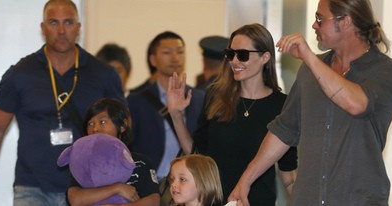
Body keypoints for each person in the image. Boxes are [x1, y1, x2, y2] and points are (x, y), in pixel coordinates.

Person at [229, 0, 392, 205]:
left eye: (320, 19)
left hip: (357, 199)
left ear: (346, 21)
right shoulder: (309, 72)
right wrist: (246, 180)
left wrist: (308, 56)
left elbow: (356, 103)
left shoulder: (388, 71)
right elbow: (283, 131)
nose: (314, 25)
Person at [0, 0, 125, 205]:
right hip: (32, 188)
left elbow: (123, 126)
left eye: (68, 23)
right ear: (43, 28)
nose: (61, 30)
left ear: (78, 28)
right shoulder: (20, 73)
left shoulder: (103, 74)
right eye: (53, 23)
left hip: (87, 187)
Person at [167, 23, 298, 205]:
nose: (234, 61)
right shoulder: (216, 96)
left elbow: (289, 172)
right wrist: (176, 116)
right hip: (215, 201)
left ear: (265, 57)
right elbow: (197, 155)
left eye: (242, 55)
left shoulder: (282, 105)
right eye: (230, 54)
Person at [127, 31, 205, 181]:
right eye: (167, 52)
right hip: (152, 180)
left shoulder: (199, 98)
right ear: (153, 60)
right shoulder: (136, 101)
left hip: (191, 181)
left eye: (180, 52)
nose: (175, 58)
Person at [67, 98, 160, 206]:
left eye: (102, 122)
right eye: (90, 124)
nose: (95, 129)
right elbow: (75, 199)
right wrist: (117, 188)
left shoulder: (141, 162)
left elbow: (154, 200)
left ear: (122, 125)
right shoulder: (82, 163)